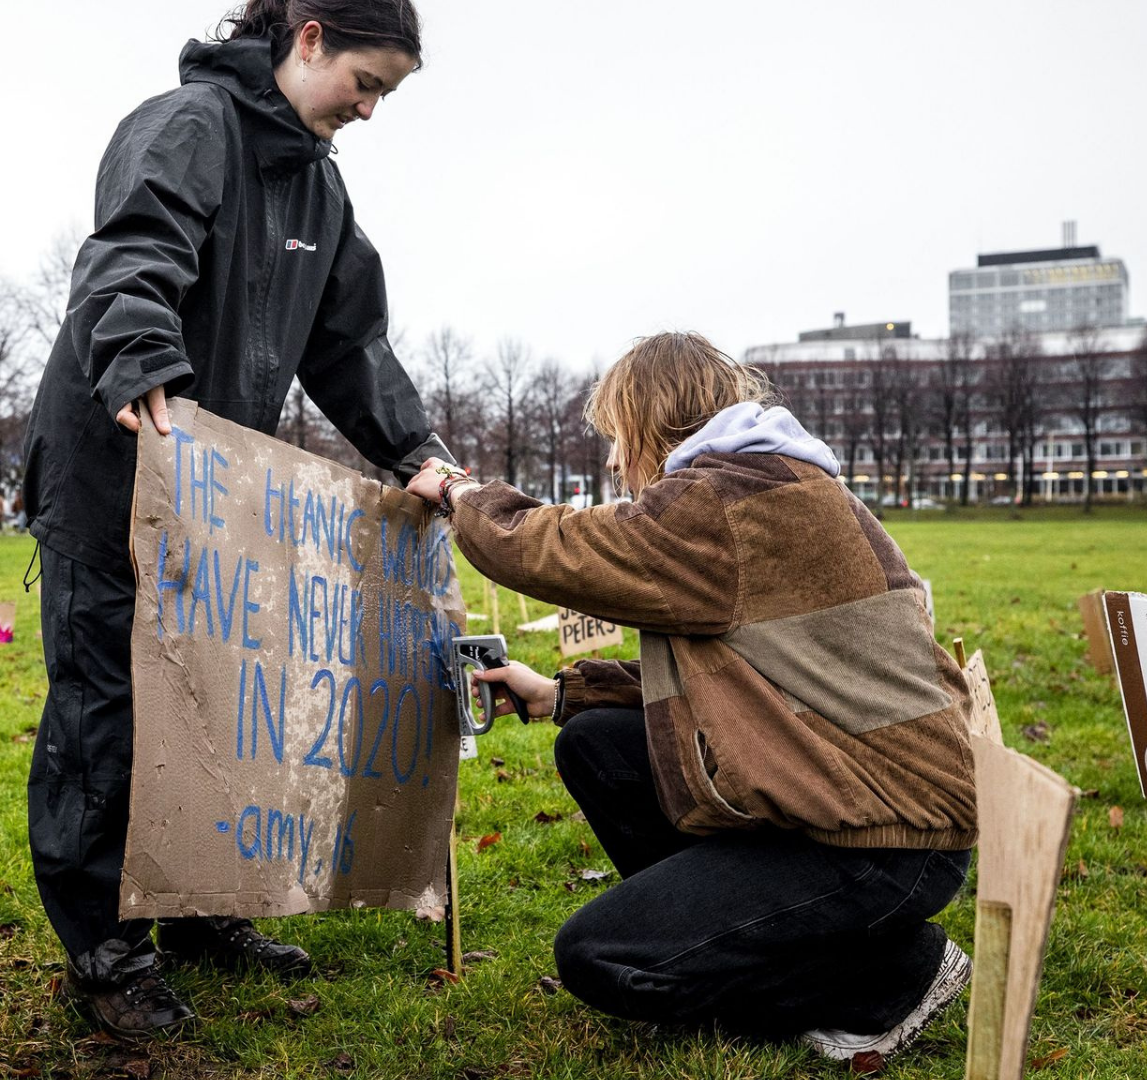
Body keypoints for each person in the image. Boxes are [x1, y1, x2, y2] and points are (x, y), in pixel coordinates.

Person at [20, 0, 449, 1038]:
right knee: (109, 721)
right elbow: (132, 252)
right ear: (310, 38)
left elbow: (351, 344)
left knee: (212, 707)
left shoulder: (320, 188)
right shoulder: (188, 125)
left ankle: (201, 906)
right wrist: (139, 356)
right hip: (113, 474)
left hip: (218, 504)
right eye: (367, 83)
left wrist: (417, 451)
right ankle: (106, 955)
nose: (370, 110)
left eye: (386, 95)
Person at [405, 333, 978, 1063]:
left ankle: (893, 976)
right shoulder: (764, 484)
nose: (614, 461)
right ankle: (751, 944)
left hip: (885, 839)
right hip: (851, 802)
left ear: (653, 421)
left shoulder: (724, 501)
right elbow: (745, 675)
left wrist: (456, 490)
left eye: (619, 436)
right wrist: (558, 694)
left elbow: (547, 547)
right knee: (594, 742)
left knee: (603, 958)